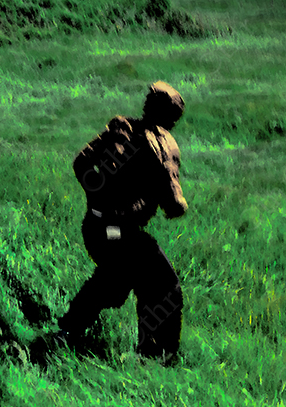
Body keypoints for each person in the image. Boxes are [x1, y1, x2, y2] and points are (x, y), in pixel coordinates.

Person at [31, 80, 188, 366]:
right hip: (109, 230)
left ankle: (151, 353)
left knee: (134, 282)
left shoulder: (148, 140)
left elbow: (172, 203)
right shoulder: (132, 135)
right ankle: (149, 354)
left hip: (111, 228)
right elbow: (82, 163)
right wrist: (103, 199)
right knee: (139, 281)